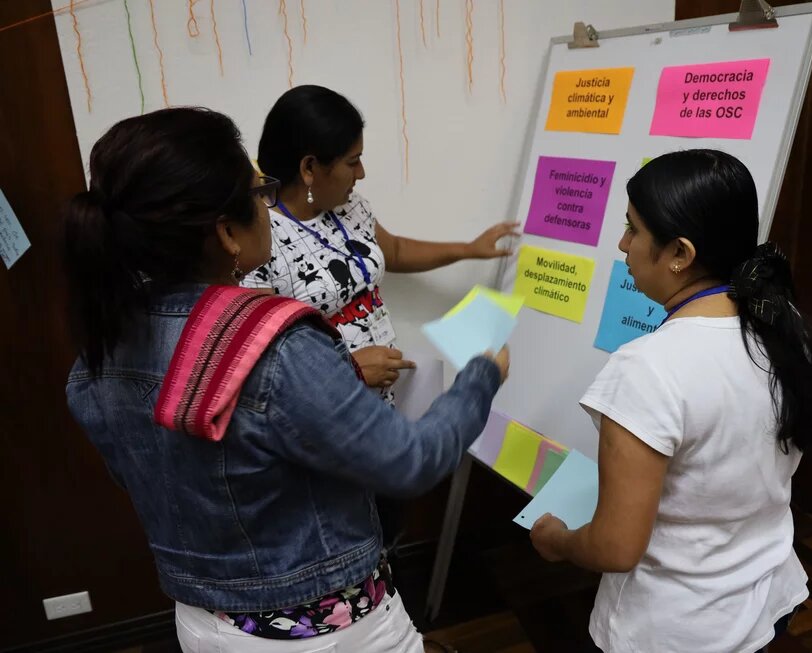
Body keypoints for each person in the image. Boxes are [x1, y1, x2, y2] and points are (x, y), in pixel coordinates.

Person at [63, 107, 509, 653]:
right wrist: (481, 378)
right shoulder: (276, 344)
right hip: (324, 632)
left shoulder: (102, 343)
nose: (267, 206)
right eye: (257, 193)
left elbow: (147, 472)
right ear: (226, 233)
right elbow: (409, 462)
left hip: (204, 624)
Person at [529, 150, 812, 653]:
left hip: (672, 629)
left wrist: (557, 541)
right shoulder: (780, 330)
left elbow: (617, 546)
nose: (622, 245)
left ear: (680, 254)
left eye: (633, 230)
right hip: (764, 602)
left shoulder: (648, 367)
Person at [242, 85, 520, 398]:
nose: (361, 173)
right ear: (309, 168)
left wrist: (468, 250)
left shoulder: (348, 205)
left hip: (377, 405)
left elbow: (396, 250)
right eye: (352, 161)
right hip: (324, 418)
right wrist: (349, 368)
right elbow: (265, 366)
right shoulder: (258, 238)